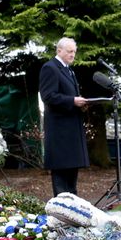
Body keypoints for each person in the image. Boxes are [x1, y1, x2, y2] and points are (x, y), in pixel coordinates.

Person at [39, 37, 89, 196]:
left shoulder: (69, 70)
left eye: (74, 51)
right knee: (61, 180)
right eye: (69, 51)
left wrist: (81, 104)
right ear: (59, 50)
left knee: (72, 180)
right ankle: (61, 213)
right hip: (59, 133)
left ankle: (73, 213)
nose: (73, 54)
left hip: (71, 131)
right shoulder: (50, 68)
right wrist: (72, 101)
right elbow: (47, 96)